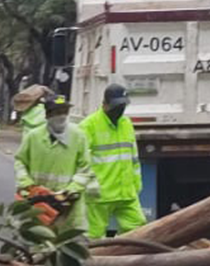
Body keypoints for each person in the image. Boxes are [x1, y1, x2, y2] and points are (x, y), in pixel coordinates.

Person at [14, 95, 92, 232]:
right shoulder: (33, 137)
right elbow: (20, 161)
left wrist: (71, 190)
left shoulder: (78, 136)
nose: (62, 116)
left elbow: (85, 168)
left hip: (67, 204)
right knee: (38, 241)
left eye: (64, 112)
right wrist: (27, 184)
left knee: (66, 243)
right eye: (57, 112)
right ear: (48, 115)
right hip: (39, 201)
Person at [79, 84, 145, 239]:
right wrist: (87, 183)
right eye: (116, 105)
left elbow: (133, 157)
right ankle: (96, 262)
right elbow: (79, 160)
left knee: (138, 229)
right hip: (99, 194)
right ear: (104, 104)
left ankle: (125, 260)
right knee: (94, 236)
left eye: (123, 105)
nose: (120, 109)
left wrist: (136, 183)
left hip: (126, 192)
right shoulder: (89, 126)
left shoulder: (126, 124)